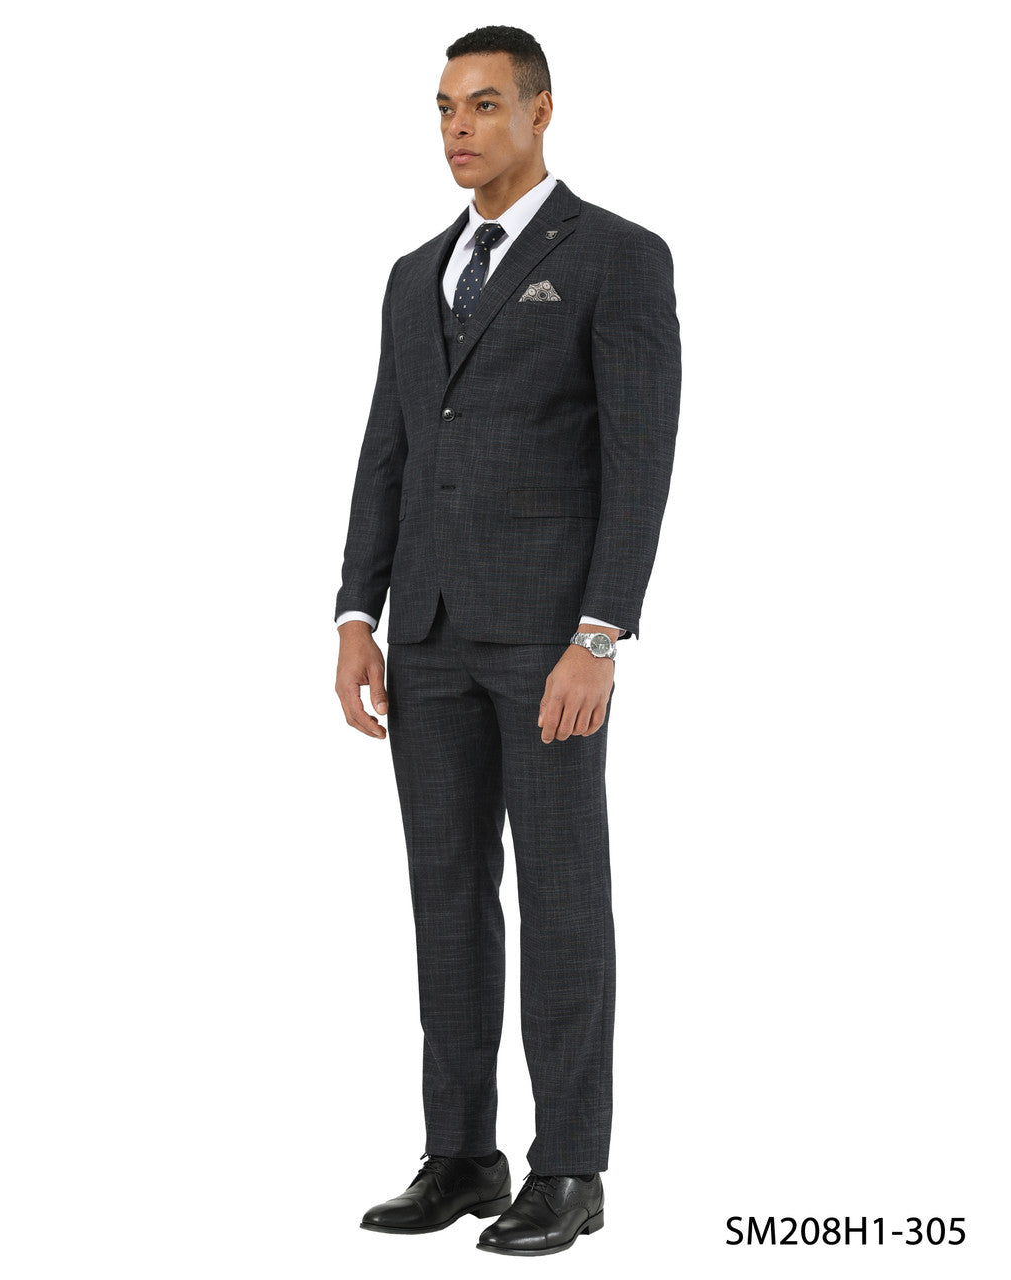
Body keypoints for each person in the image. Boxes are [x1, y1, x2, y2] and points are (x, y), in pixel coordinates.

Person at [333, 25, 681, 1257]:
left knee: (563, 896)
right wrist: (357, 611)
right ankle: (462, 1151)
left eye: (483, 104)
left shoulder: (616, 256)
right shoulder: (413, 273)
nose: (458, 129)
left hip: (547, 642)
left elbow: (639, 457)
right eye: (443, 108)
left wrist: (600, 632)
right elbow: (387, 446)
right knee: (445, 897)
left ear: (540, 111)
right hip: (425, 637)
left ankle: (570, 1165)